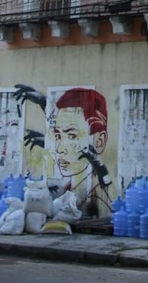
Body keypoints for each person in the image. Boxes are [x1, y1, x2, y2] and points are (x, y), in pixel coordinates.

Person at [48, 88, 112, 217]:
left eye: (72, 136)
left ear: (99, 141)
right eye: (58, 136)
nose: (59, 149)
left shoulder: (98, 199)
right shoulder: (68, 190)